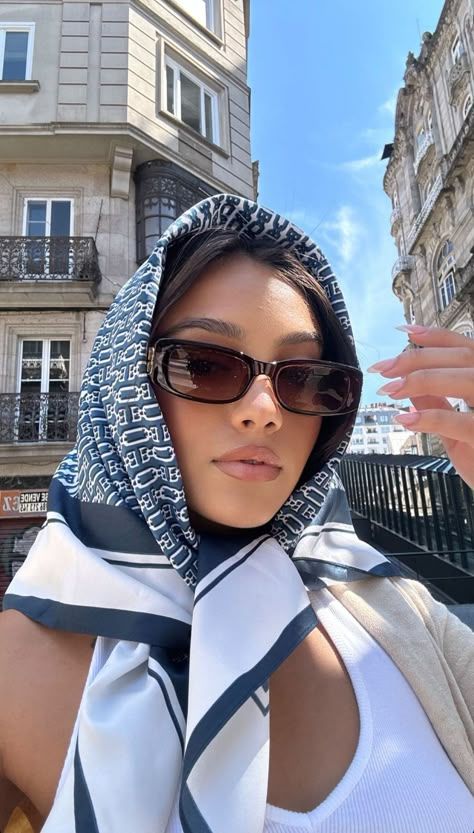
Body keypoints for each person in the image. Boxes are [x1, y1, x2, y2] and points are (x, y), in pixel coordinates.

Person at [0, 194, 473, 833]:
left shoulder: (387, 604)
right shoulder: (18, 665)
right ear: (126, 383)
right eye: (205, 365)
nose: (265, 411)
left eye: (304, 378)